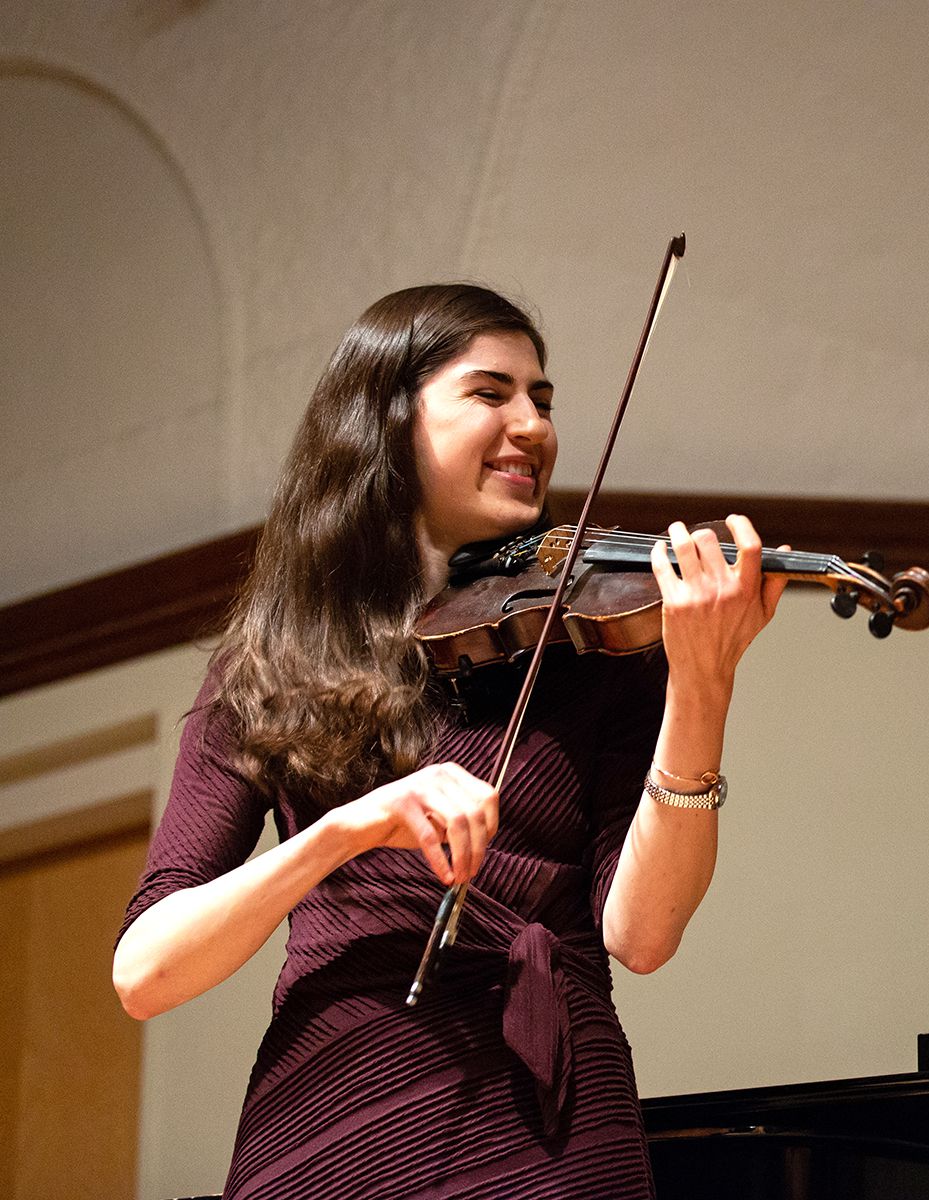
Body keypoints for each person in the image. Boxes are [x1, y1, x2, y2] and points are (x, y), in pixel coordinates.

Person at [113, 283, 784, 1198]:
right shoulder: (271, 664)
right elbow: (145, 973)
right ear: (389, 424)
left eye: (542, 401)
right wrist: (351, 828)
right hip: (336, 1114)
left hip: (555, 1127)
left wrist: (703, 685)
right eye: (490, 392)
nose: (534, 426)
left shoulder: (595, 651)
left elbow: (643, 933)